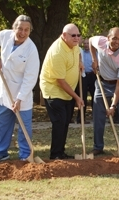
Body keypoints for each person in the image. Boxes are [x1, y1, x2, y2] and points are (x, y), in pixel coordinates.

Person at [0, 15, 40, 162]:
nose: (22, 33)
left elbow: (30, 78)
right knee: (2, 123)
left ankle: (25, 155)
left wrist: (19, 99)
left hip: (22, 93)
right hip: (5, 90)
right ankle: (1, 152)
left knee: (24, 127)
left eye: (26, 30)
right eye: (20, 29)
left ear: (30, 31)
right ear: (14, 27)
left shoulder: (31, 50)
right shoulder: (5, 36)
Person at [40, 23, 84, 160]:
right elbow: (60, 81)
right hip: (54, 90)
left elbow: (77, 54)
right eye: (73, 35)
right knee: (59, 122)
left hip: (67, 92)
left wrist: (80, 62)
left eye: (78, 35)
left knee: (65, 122)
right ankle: (55, 154)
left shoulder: (74, 45)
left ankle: (61, 152)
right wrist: (77, 97)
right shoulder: (57, 52)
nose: (77, 38)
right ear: (64, 35)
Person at [89, 27, 119, 156]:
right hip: (101, 82)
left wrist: (113, 105)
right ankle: (98, 147)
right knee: (98, 116)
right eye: (114, 38)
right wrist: (94, 59)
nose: (117, 42)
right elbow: (90, 41)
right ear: (108, 38)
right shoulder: (101, 42)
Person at [76, 38, 96, 124]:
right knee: (82, 96)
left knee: (95, 97)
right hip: (83, 76)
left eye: (88, 43)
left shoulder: (95, 53)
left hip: (93, 75)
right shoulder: (81, 52)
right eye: (85, 43)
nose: (86, 45)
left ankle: (95, 117)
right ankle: (80, 118)